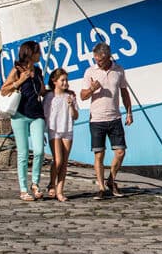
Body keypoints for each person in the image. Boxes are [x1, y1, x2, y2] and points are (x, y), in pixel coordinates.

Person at [80, 42, 133, 200]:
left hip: (115, 117)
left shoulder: (119, 70)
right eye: (96, 59)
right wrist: (92, 89)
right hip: (96, 119)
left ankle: (111, 179)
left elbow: (124, 93)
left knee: (120, 151)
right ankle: (101, 187)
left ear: (108, 56)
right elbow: (82, 96)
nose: (98, 62)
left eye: (101, 60)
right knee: (99, 155)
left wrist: (129, 112)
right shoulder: (90, 71)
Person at [0, 40, 47, 201]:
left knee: (40, 150)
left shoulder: (39, 71)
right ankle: (23, 189)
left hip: (37, 114)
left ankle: (35, 183)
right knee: (23, 153)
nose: (40, 54)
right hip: (19, 114)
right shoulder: (17, 70)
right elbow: (4, 90)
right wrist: (20, 81)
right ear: (31, 54)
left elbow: (41, 91)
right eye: (38, 52)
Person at [44, 68, 79, 202]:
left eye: (66, 80)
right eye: (62, 80)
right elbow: (46, 115)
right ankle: (52, 182)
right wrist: (43, 132)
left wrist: (71, 106)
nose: (65, 83)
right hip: (54, 130)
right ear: (54, 81)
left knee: (64, 163)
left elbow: (75, 116)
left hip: (67, 129)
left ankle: (60, 191)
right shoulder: (49, 97)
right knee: (58, 160)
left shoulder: (70, 96)